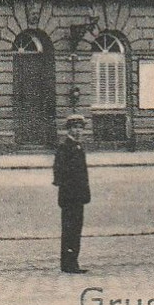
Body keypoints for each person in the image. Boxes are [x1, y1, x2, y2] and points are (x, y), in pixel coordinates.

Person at [53, 115, 91, 273]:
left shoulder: (78, 147)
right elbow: (59, 173)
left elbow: (83, 174)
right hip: (70, 197)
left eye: (80, 128)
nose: (78, 131)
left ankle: (72, 262)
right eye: (75, 127)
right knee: (70, 230)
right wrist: (69, 193)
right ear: (69, 129)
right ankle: (68, 264)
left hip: (78, 197)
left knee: (76, 229)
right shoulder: (65, 147)